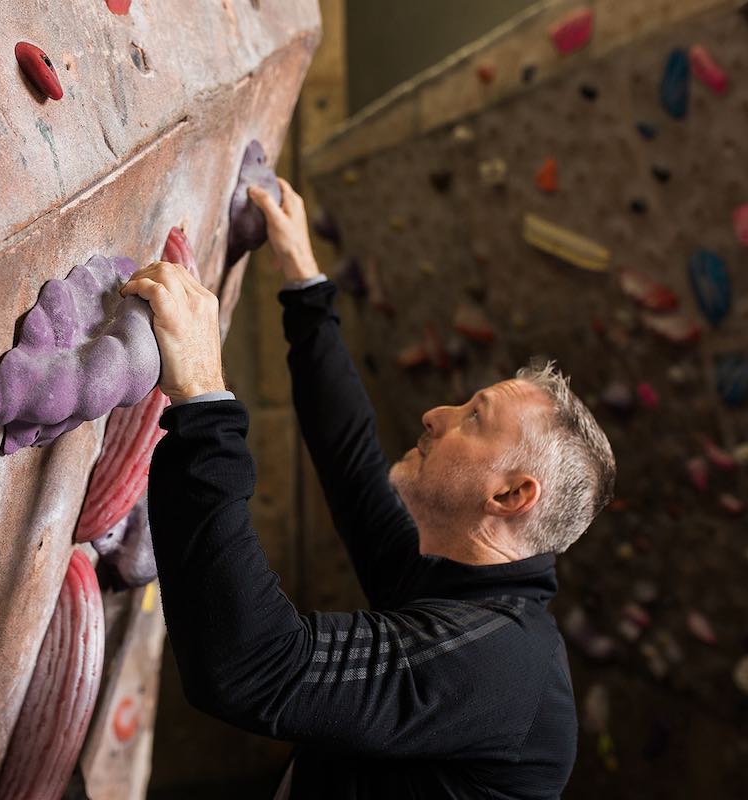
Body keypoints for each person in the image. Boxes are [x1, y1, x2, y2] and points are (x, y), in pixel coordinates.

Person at [119, 178, 616, 800]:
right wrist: (304, 281)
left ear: (512, 496)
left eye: (474, 417)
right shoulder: (456, 578)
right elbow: (349, 457)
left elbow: (254, 667)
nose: (437, 413)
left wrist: (202, 400)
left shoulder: (503, 666)